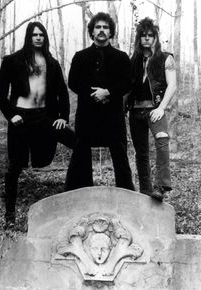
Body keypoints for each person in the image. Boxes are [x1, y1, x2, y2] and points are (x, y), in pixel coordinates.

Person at [0, 21, 74, 228]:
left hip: (45, 117)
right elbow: (0, 92)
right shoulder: (13, 61)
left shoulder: (52, 62)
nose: (38, 38)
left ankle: (78, 192)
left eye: (41, 35)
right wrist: (11, 115)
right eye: (34, 35)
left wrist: (63, 117)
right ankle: (9, 217)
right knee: (14, 167)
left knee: (77, 141)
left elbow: (62, 93)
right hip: (21, 118)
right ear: (29, 37)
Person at [65, 12, 135, 191]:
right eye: (98, 27)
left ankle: (126, 197)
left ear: (111, 31)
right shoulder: (80, 56)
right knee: (80, 156)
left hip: (113, 117)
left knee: (120, 157)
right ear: (92, 31)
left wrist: (108, 92)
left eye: (105, 27)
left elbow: (128, 82)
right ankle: (80, 196)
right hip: (87, 116)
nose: (102, 30)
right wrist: (94, 94)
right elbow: (73, 81)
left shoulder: (121, 57)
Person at [126, 17, 177, 201]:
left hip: (155, 109)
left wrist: (162, 108)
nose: (147, 38)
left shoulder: (165, 58)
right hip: (135, 111)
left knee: (162, 141)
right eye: (143, 36)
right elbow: (128, 87)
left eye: (150, 35)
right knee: (141, 152)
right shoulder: (134, 60)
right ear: (139, 39)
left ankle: (161, 186)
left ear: (156, 37)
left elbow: (172, 85)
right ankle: (146, 191)